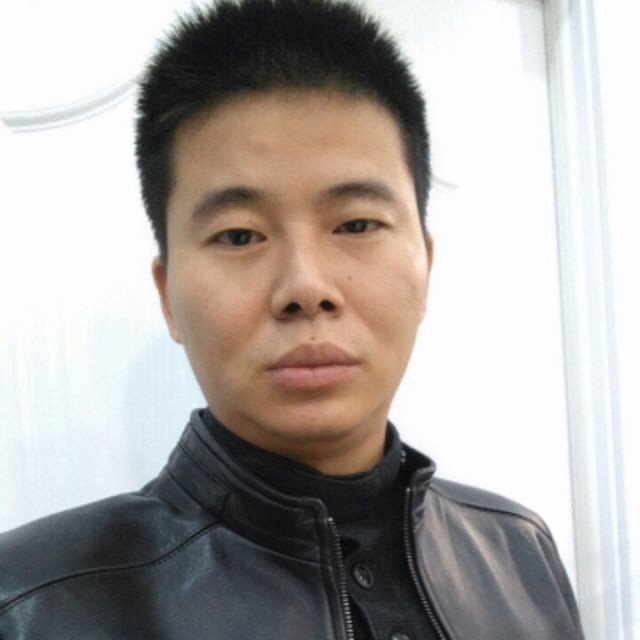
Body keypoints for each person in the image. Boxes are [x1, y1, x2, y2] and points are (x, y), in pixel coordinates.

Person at [0, 0, 585, 638]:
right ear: (168, 296)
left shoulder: (520, 556)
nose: (306, 287)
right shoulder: (31, 603)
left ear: (425, 267)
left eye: (356, 224)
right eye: (239, 235)